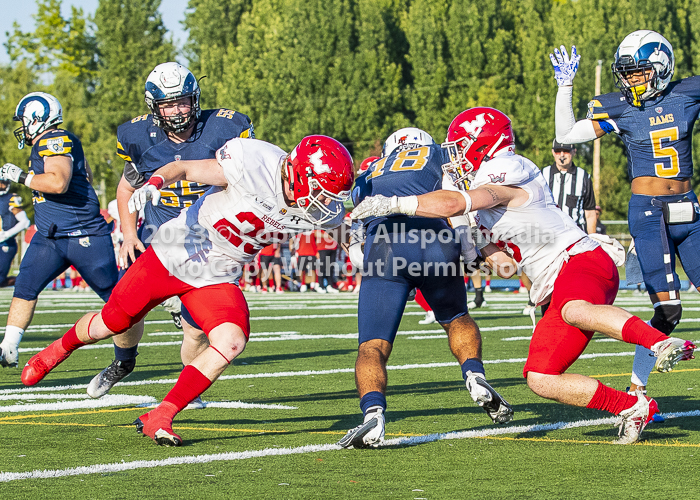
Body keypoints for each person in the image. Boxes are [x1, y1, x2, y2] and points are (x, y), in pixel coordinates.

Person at [351, 107, 696, 444]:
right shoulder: (482, 191)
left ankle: (658, 341)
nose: (455, 158)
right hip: (554, 285)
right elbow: (506, 267)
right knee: (540, 378)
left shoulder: (506, 167)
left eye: (459, 148)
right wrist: (477, 242)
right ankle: (634, 407)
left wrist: (394, 204)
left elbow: (453, 204)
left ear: (481, 143)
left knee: (573, 310)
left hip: (579, 261)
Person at [20, 135, 354, 447]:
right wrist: (155, 182)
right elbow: (184, 167)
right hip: (176, 250)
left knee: (232, 339)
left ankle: (162, 414)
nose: (325, 203)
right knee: (113, 323)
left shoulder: (320, 206)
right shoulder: (255, 163)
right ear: (297, 174)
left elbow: (338, 224)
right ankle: (58, 349)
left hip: (217, 275)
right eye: (322, 192)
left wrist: (357, 244)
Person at [87, 62, 255, 399]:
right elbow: (126, 189)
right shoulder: (139, 138)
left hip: (206, 243)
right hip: (157, 236)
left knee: (196, 333)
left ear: (195, 99)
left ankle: (186, 394)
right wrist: (130, 235)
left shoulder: (224, 128)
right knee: (123, 313)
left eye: (182, 102)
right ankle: (123, 362)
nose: (177, 111)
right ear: (154, 107)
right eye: (168, 104)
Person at [339, 126, 513, 450]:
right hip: (437, 243)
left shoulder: (369, 171)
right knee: (457, 318)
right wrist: (470, 253)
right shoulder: (442, 156)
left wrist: (373, 263)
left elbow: (354, 239)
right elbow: (459, 211)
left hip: (386, 247)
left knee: (372, 347)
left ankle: (373, 416)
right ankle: (474, 375)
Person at [550, 30, 700, 396]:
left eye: (638, 72)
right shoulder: (620, 107)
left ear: (661, 68)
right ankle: (637, 391)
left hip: (690, 211)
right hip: (649, 214)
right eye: (627, 73)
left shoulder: (687, 93)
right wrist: (565, 86)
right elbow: (566, 133)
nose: (631, 80)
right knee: (669, 312)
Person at [0, 92, 121, 368]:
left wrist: (21, 176)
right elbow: (84, 176)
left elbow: (57, 183)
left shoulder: (54, 140)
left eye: (24, 121)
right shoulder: (52, 143)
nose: (22, 127)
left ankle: (126, 357)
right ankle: (8, 347)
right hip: (50, 235)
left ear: (37, 119)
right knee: (25, 285)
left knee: (117, 299)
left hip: (82, 235)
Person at [542, 140, 597, 233]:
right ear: (553, 152)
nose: (562, 155)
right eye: (558, 151)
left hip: (575, 235)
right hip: (548, 233)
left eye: (566, 151)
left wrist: (593, 238)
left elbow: (590, 213)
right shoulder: (543, 174)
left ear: (574, 152)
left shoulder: (583, 177)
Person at [0, 181, 30, 288]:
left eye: (2, 183)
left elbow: (25, 222)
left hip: (5, 244)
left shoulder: (10, 199)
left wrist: (6, 234)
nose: (1, 185)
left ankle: (31, 281)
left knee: (0, 280)